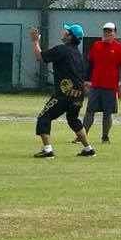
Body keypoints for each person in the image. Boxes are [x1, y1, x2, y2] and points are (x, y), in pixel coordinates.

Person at [30, 23, 95, 158]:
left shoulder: (62, 50)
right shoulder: (78, 54)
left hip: (64, 94)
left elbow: (40, 57)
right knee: (73, 119)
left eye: (66, 31)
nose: (64, 32)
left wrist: (35, 41)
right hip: (78, 94)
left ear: (70, 36)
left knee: (44, 118)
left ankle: (48, 150)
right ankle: (88, 149)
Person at [81, 22, 121, 144]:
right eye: (105, 31)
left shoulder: (120, 48)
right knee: (89, 111)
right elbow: (90, 63)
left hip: (110, 86)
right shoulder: (96, 45)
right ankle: (82, 135)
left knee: (107, 113)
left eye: (110, 31)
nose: (107, 33)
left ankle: (105, 137)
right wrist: (87, 79)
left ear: (115, 33)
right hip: (96, 85)